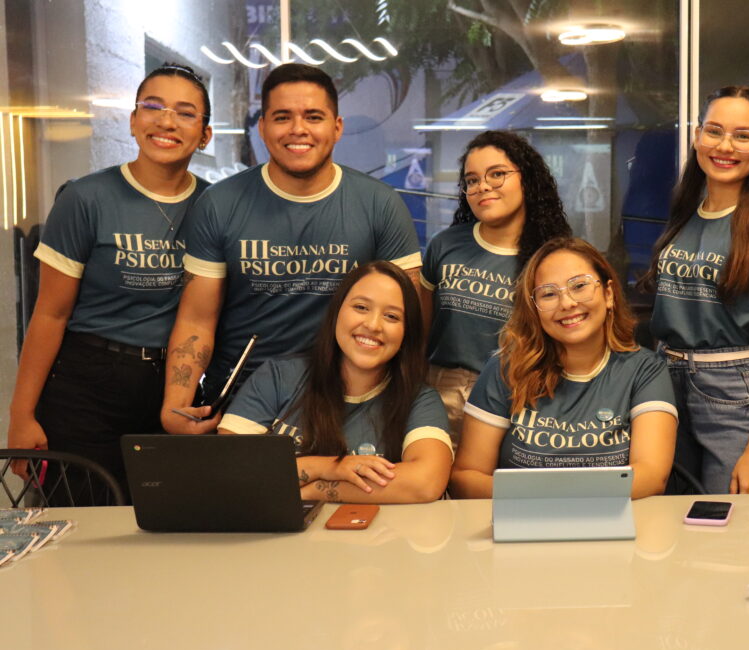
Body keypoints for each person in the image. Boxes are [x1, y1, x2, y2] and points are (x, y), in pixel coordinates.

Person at [161, 63, 421, 435]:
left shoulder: (380, 205)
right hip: (239, 398)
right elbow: (196, 320)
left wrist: (402, 404)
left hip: (346, 396)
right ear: (262, 128)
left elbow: (408, 317)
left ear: (337, 127)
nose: (298, 129)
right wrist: (176, 406)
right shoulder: (220, 204)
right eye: (283, 117)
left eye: (313, 116)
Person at [6, 63, 212, 499]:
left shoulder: (214, 205)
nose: (166, 121)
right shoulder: (85, 198)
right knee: (82, 520)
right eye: (152, 107)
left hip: (172, 387)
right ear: (133, 121)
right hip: (86, 385)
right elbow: (49, 314)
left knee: (168, 522)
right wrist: (21, 415)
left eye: (185, 112)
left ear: (205, 134)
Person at [639, 86, 749, 495]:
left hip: (734, 389)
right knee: (668, 516)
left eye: (743, 136)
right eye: (714, 131)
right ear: (697, 135)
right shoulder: (686, 209)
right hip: (666, 377)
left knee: (728, 524)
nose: (725, 146)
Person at [450, 237, 677, 500]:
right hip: (525, 519)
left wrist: (554, 496)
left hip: (612, 520)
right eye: (548, 294)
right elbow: (465, 477)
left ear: (609, 294)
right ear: (534, 310)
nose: (567, 303)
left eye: (579, 286)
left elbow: (651, 476)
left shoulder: (645, 370)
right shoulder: (505, 368)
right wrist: (548, 501)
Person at [218, 261, 452, 503]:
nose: (373, 325)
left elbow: (426, 483)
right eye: (361, 307)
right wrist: (327, 467)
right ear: (336, 311)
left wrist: (313, 491)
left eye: (391, 316)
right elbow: (227, 469)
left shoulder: (419, 400)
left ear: (406, 332)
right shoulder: (277, 377)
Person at [420, 131, 571, 444]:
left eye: (497, 174)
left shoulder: (553, 257)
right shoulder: (445, 244)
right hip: (440, 394)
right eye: (472, 180)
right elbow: (420, 330)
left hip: (519, 397)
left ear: (526, 178)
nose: (483, 186)